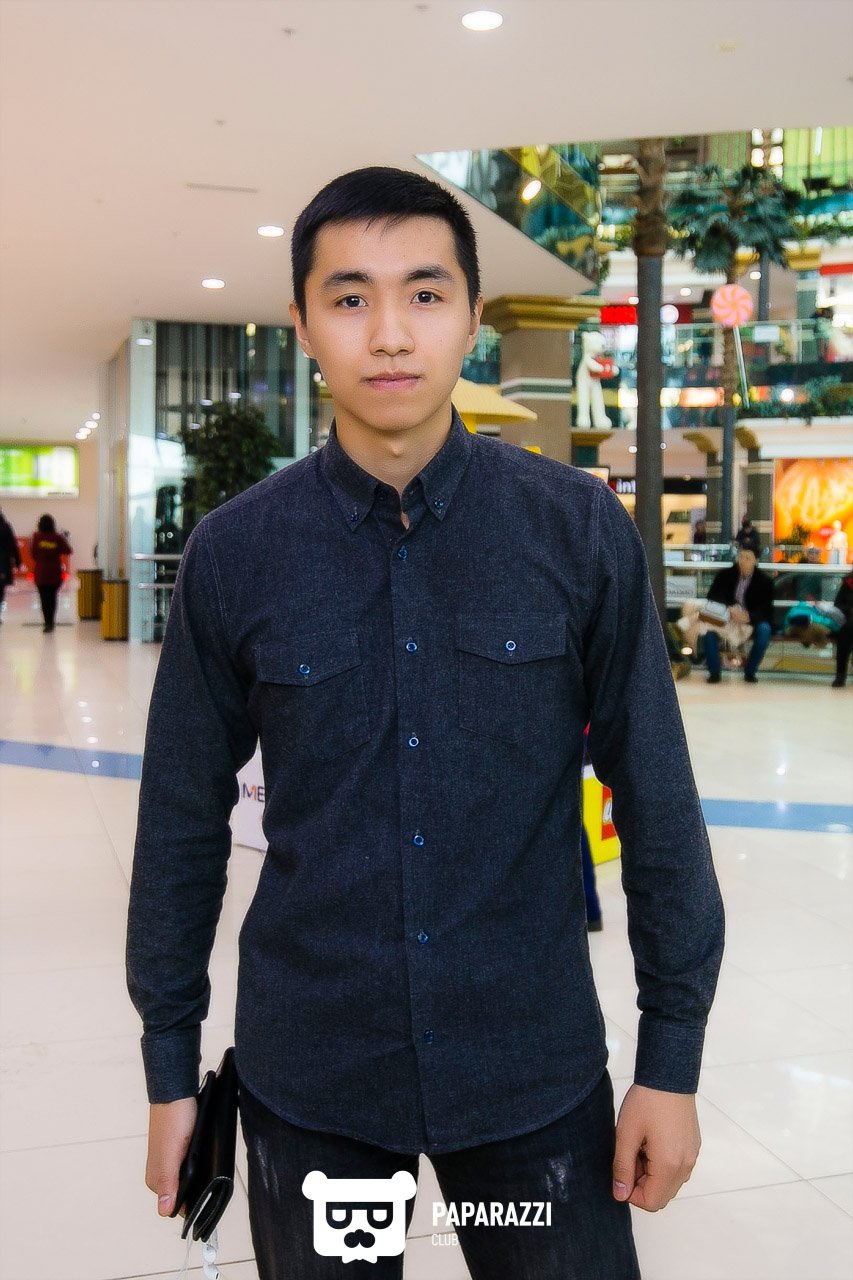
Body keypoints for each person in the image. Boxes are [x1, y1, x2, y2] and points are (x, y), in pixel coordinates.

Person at [127, 167, 724, 1280]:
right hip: (315, 1079)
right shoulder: (236, 552)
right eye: (350, 297)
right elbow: (177, 826)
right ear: (302, 322)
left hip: (530, 1074)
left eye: (425, 293)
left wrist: (670, 1060)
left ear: (473, 316)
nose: (390, 333)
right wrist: (170, 1071)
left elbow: (657, 796)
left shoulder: (575, 530)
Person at [704, 548, 774, 684]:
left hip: (750, 619)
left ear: (755, 561)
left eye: (747, 558)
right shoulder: (725, 575)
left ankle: (750, 671)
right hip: (726, 615)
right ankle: (714, 672)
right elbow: (713, 596)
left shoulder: (765, 581)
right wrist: (729, 608)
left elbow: (766, 610)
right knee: (708, 630)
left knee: (764, 630)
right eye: (741, 557)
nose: (743, 561)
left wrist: (749, 617)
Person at [31, 514, 72, 632]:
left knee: (44, 599)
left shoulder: (37, 537)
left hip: (41, 573)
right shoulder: (57, 537)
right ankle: (51, 622)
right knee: (52, 598)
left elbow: (33, 554)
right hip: (54, 572)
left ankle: (47, 623)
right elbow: (68, 550)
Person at [832, 569, 853, 687]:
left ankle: (840, 675)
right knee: (845, 632)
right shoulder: (848, 582)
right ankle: (840, 674)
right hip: (849, 620)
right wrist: (849, 610)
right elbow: (838, 604)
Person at [0, 507, 22, 622]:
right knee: (0, 590)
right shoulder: (5, 526)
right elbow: (13, 545)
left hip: (3, 562)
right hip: (3, 564)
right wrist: (18, 562)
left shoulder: (5, 526)